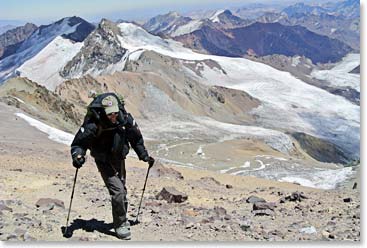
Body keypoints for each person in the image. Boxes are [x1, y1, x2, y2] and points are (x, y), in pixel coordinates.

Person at [70, 92, 154, 240]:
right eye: (109, 114)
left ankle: (122, 217)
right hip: (103, 160)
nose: (113, 116)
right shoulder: (93, 123)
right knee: (118, 191)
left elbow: (136, 138)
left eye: (115, 113)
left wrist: (144, 156)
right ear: (103, 112)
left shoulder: (125, 119)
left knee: (122, 189)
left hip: (119, 157)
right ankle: (120, 225)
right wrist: (78, 156)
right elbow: (79, 143)